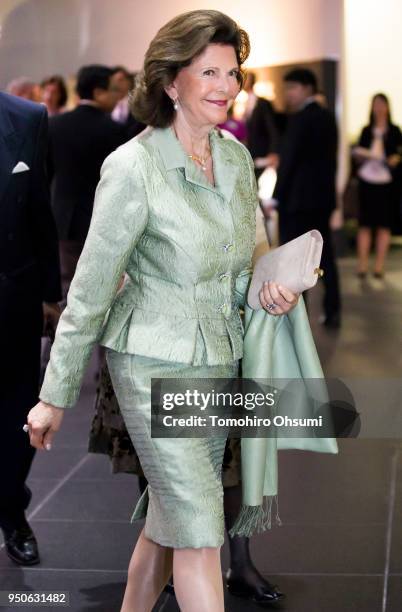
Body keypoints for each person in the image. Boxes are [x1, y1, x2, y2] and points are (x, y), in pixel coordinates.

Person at [26, 10, 298, 612]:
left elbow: (248, 247)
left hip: (221, 359)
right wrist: (54, 394)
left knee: (169, 517)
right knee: (200, 532)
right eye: (209, 71)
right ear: (171, 82)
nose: (227, 85)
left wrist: (276, 278)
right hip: (150, 365)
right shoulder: (132, 167)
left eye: (233, 72)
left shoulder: (231, 157)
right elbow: (91, 291)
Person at [89, 356, 285, 605]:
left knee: (232, 453)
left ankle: (240, 561)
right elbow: (84, 317)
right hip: (145, 355)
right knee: (173, 497)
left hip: (218, 351)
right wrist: (53, 399)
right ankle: (224, 562)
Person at [0, 92, 61, 565]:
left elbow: (41, 206)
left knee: (19, 408)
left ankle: (10, 508)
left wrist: (49, 294)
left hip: (12, 292)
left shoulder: (27, 117)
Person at [47, 64, 126, 302]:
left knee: (69, 283)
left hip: (64, 220)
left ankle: (65, 334)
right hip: (104, 218)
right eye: (113, 90)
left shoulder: (54, 125)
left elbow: (46, 175)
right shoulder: (114, 130)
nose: (118, 96)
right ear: (98, 92)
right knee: (102, 286)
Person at [273, 68, 341, 329]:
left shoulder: (301, 118)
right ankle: (332, 311)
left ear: (307, 88)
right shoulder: (327, 117)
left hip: (297, 203)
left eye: (292, 88)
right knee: (324, 258)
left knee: (295, 262)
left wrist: (277, 198)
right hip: (321, 201)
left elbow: (287, 162)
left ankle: (298, 318)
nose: (288, 94)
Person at [353, 93, 402, 278]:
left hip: (386, 183)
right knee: (365, 224)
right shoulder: (366, 130)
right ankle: (362, 265)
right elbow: (358, 153)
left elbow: (398, 154)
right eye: (376, 104)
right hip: (367, 180)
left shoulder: (395, 130)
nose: (379, 108)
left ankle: (379, 265)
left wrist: (395, 158)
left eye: (382, 104)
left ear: (388, 107)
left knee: (384, 224)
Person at [243, 71, 280, 178]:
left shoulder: (263, 103)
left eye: (246, 79)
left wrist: (273, 151)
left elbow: (272, 128)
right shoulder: (241, 102)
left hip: (262, 151)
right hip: (248, 151)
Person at [111, 66, 146, 138]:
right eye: (113, 81)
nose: (117, 84)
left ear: (129, 80)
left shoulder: (140, 100)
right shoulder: (110, 103)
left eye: (120, 80)